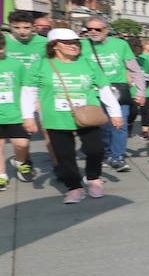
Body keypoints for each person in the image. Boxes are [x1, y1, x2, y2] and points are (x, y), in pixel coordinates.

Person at [20, 28, 122, 203]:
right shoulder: (41, 64)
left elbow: (105, 89)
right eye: (67, 43)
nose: (74, 46)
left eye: (76, 42)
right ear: (54, 46)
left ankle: (93, 178)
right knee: (64, 156)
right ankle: (74, 187)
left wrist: (115, 113)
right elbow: (28, 91)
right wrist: (28, 117)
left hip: (88, 115)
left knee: (95, 149)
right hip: (56, 118)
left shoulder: (88, 62)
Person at [81, 17, 142, 173]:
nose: (93, 32)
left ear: (106, 30)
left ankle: (118, 157)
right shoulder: (81, 46)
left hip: (118, 91)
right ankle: (107, 152)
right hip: (94, 93)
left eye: (97, 29)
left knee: (119, 125)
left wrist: (140, 91)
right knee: (104, 127)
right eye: (89, 29)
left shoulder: (120, 45)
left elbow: (134, 69)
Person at [0, 34, 35, 189]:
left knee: (22, 143)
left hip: (15, 112)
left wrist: (33, 105)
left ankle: (20, 162)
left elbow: (26, 87)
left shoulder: (16, 64)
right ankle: (2, 176)